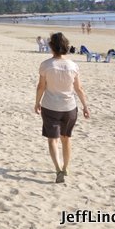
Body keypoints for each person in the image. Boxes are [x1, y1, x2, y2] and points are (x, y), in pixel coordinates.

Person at [34, 32, 90, 184]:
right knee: (66, 139)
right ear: (65, 46)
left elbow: (41, 87)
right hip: (69, 107)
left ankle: (58, 170)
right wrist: (85, 106)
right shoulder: (73, 65)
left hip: (50, 106)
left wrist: (37, 102)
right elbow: (79, 88)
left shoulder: (46, 65)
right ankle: (65, 167)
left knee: (53, 140)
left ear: (51, 46)